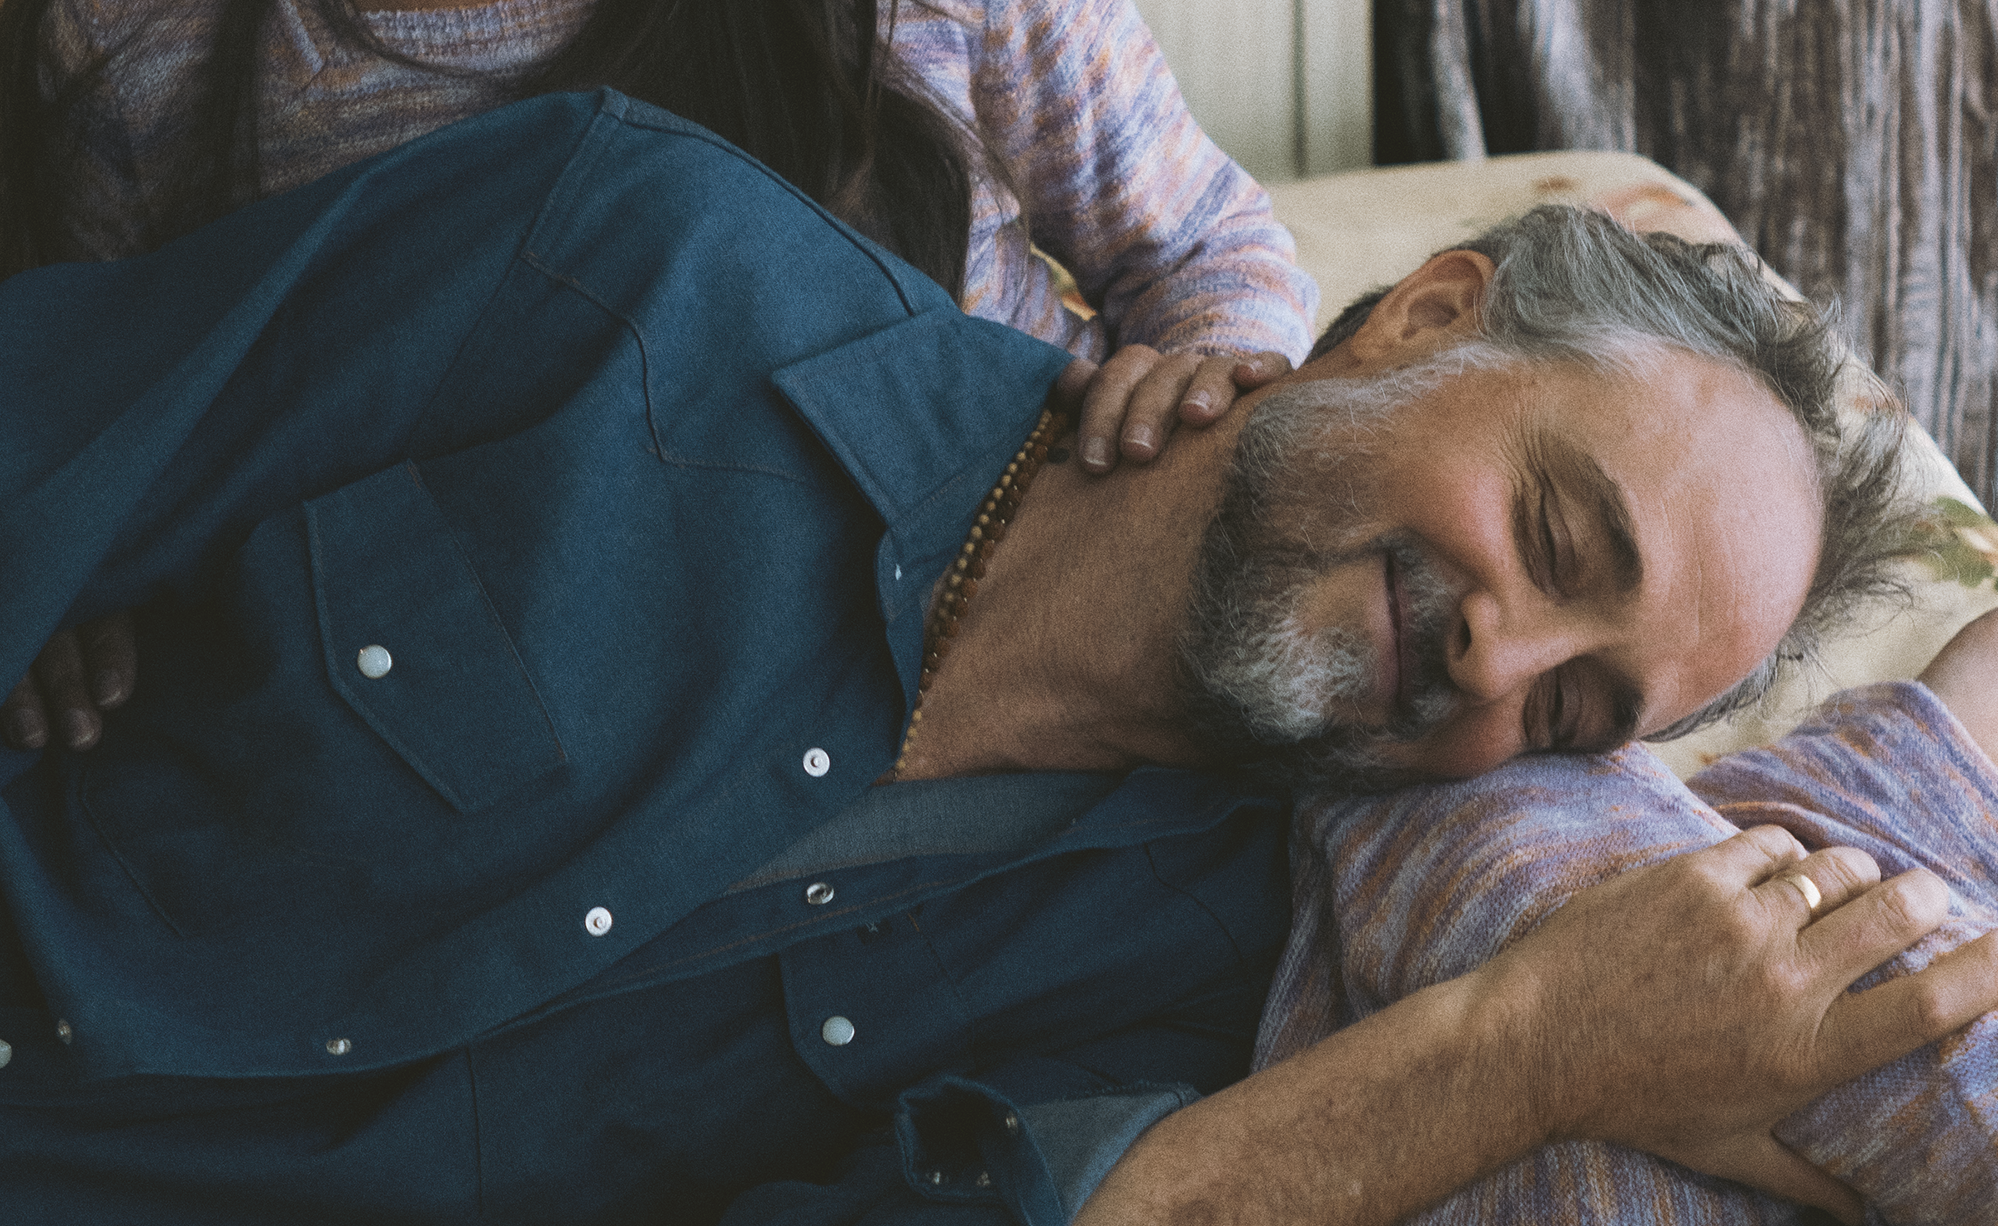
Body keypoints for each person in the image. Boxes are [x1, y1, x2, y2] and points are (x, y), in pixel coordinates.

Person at [0, 91, 1998, 1226]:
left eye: (1577, 701)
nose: (1497, 661)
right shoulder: (640, 269)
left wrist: (1521, 1047)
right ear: (1418, 317)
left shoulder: (1194, 965)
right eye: (1556, 527)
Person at [0, 0, 1318, 749]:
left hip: (1007, 650)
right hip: (576, 750)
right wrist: (69, 599)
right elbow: (115, 425)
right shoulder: (130, 43)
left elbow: (1205, 243)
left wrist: (1200, 382)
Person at [1259, 604, 1998, 1226]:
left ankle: (1876, 783)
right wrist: (1550, 1043)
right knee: (1787, 967)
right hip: (1354, 1140)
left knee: (1741, 911)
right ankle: (1879, 783)